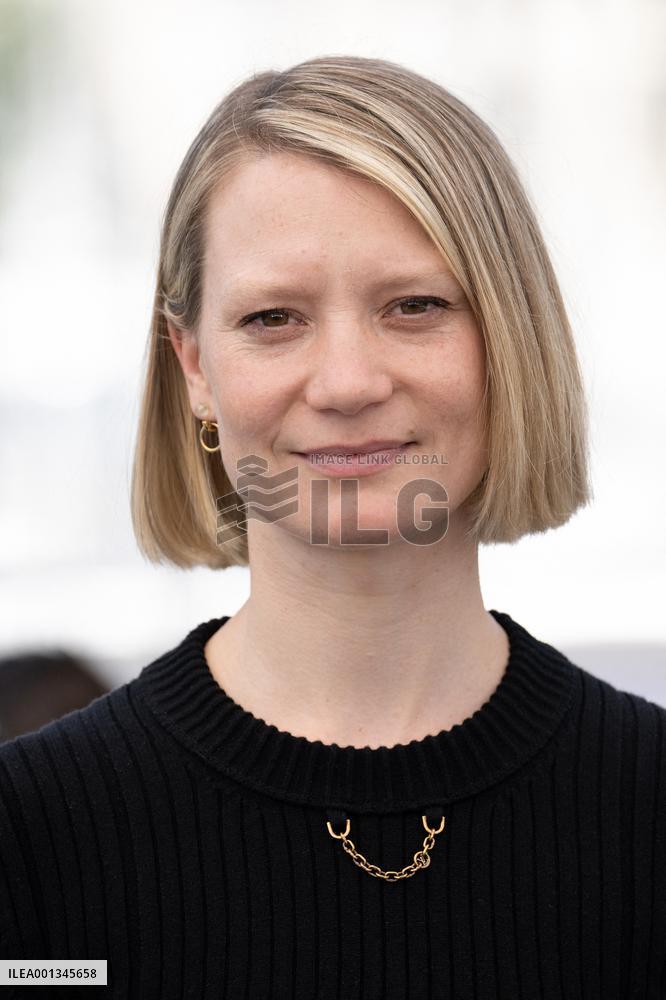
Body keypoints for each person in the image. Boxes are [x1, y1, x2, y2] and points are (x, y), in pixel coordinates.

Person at [1, 54, 664, 1000]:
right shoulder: (30, 838)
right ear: (194, 368)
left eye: (415, 307)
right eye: (274, 318)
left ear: (512, 343)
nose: (348, 383)